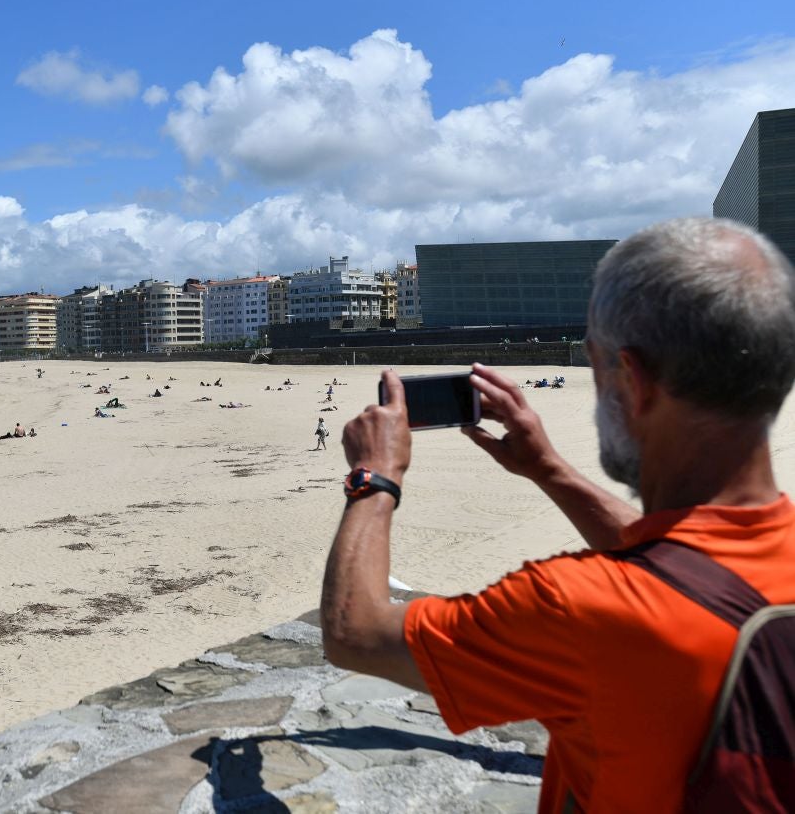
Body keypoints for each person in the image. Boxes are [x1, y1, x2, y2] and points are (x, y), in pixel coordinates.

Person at [320, 218, 795, 814]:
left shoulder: (582, 609)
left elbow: (353, 633)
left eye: (599, 370)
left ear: (635, 381)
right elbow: (686, 566)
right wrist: (550, 470)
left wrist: (375, 476)